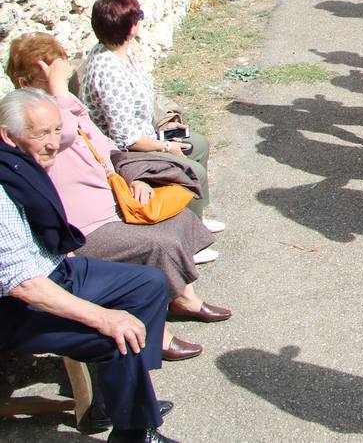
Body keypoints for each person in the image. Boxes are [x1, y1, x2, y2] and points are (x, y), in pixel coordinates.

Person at [4, 64, 225, 363]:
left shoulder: (58, 122)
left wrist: (137, 179)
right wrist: (58, 92)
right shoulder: (34, 138)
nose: (52, 138)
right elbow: (66, 135)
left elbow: (107, 147)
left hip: (112, 203)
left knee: (180, 218)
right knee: (158, 244)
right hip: (83, 228)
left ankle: (181, 300)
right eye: (50, 76)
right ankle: (157, 334)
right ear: (23, 82)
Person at [0, 89, 177, 443]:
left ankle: (119, 399)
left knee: (149, 285)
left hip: (53, 271)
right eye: (41, 134)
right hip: (17, 304)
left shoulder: (18, 165)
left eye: (56, 131)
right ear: (8, 135)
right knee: (115, 336)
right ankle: (133, 432)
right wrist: (102, 316)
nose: (53, 144)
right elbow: (22, 284)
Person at [68, 0, 215, 223]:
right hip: (126, 154)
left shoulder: (120, 53)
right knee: (193, 169)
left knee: (199, 144)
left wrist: (164, 126)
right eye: (139, 17)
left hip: (144, 136)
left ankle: (195, 216)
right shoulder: (109, 72)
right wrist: (166, 146)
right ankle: (190, 232)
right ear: (131, 27)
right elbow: (125, 139)